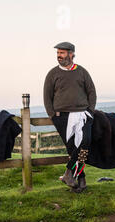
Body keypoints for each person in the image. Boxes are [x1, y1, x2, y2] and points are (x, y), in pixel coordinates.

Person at [43, 42, 96, 193]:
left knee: (84, 143)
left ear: (71, 54)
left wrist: (90, 112)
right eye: (58, 53)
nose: (59, 56)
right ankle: (81, 179)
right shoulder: (52, 73)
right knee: (73, 148)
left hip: (83, 114)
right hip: (62, 116)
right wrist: (53, 116)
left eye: (62, 53)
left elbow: (92, 92)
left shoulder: (82, 71)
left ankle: (68, 173)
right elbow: (47, 97)